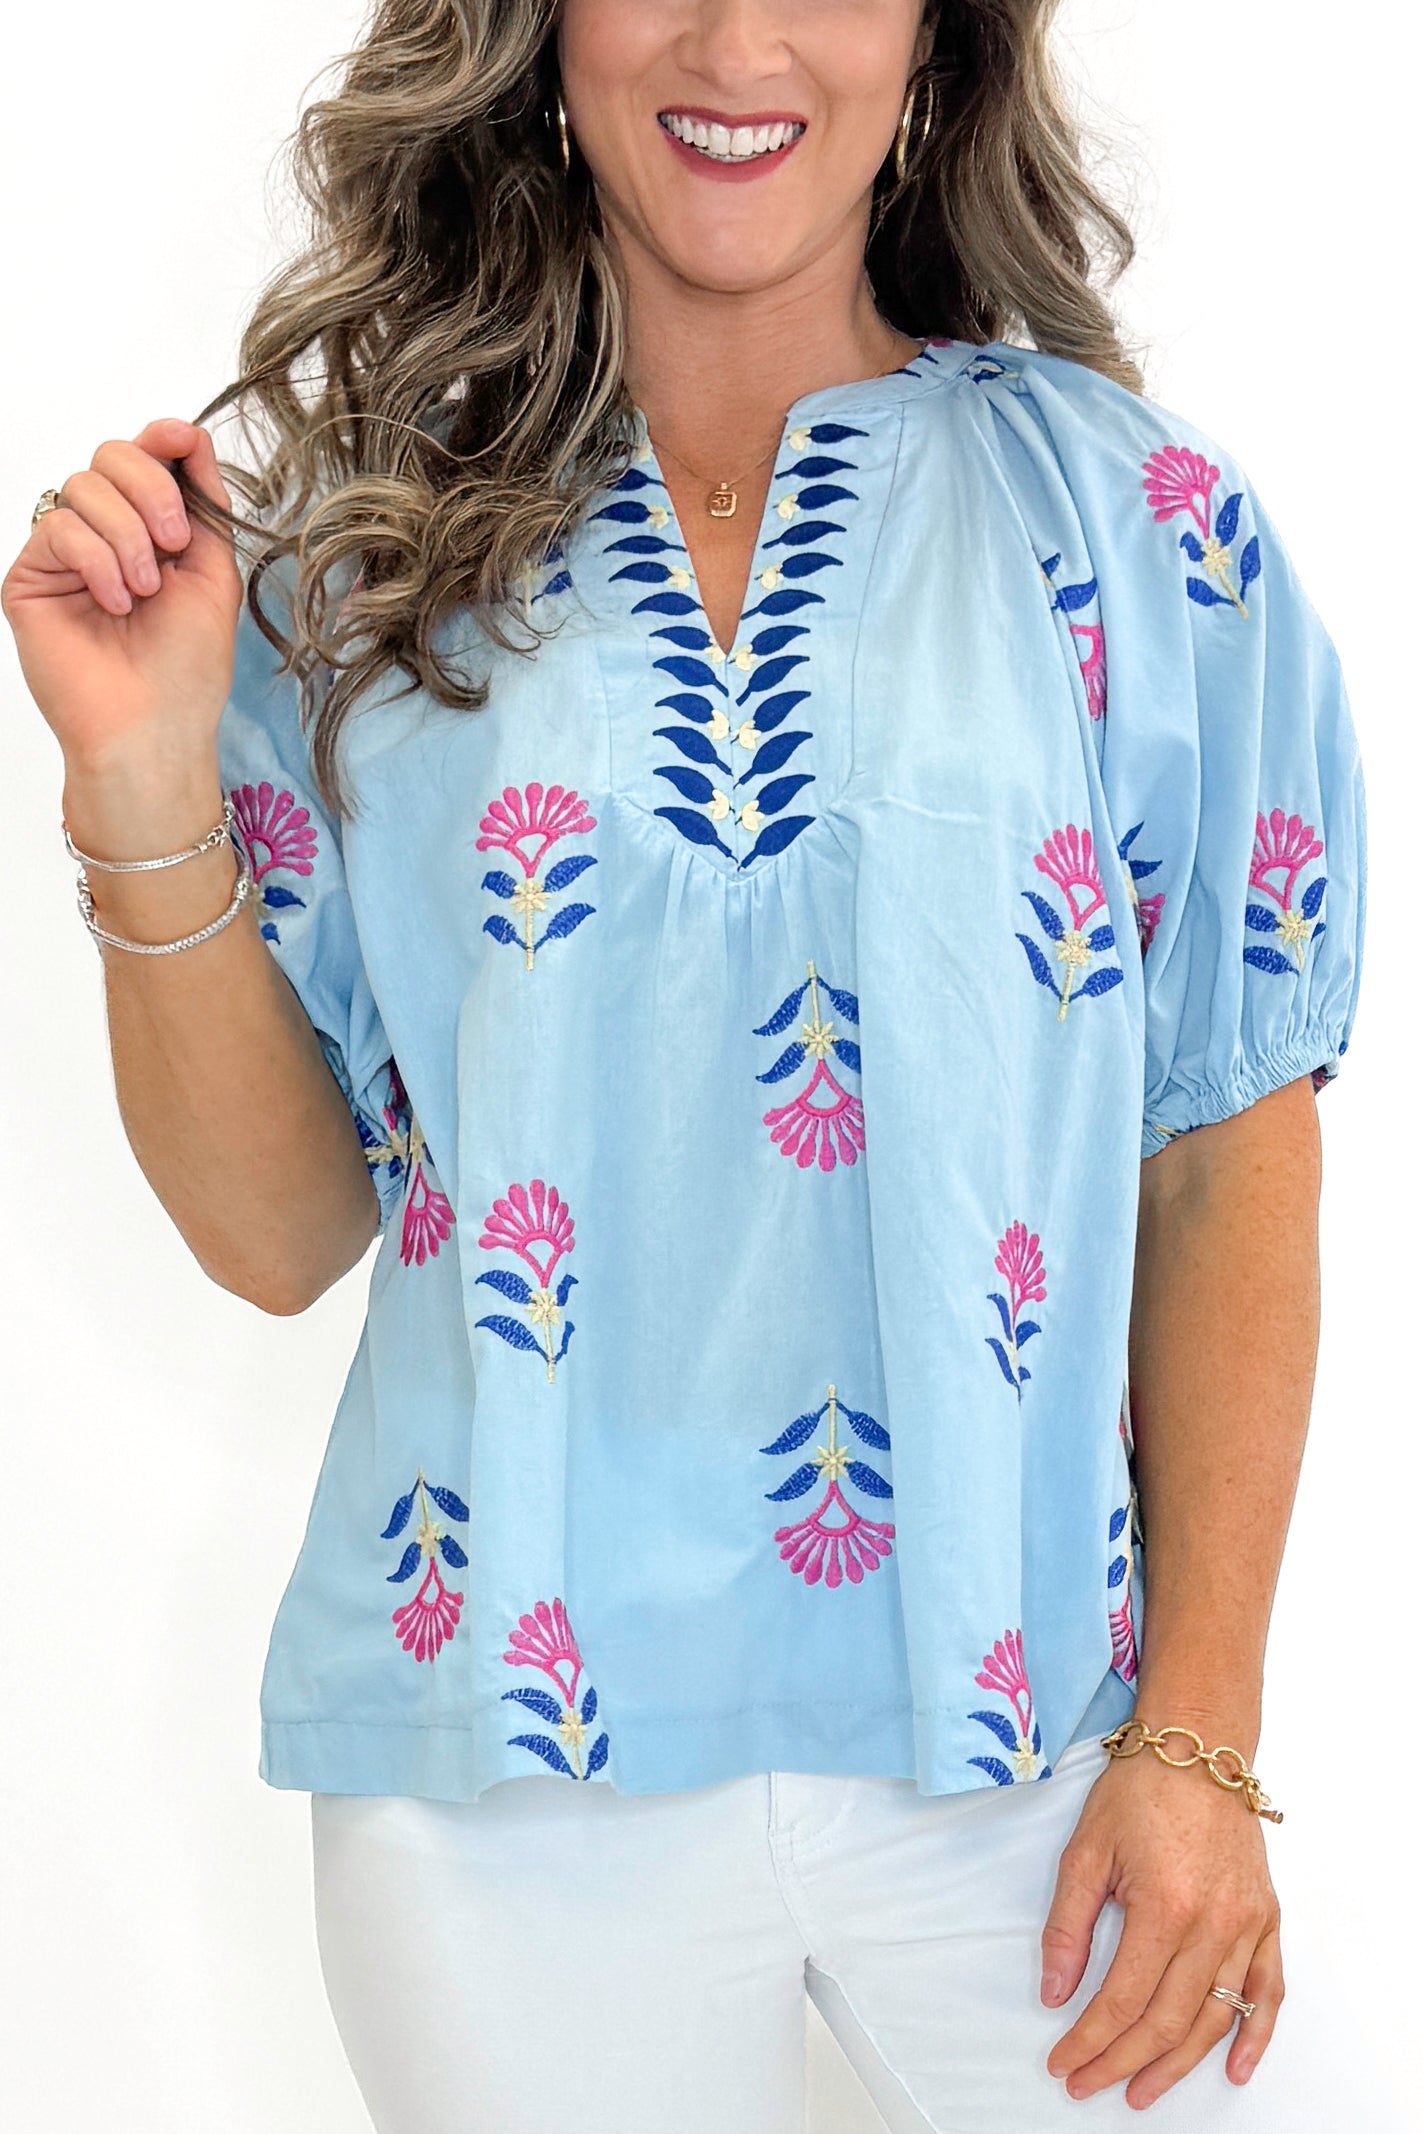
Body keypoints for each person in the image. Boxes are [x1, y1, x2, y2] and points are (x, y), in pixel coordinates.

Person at [3, 2, 1368, 2129]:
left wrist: (1194, 1729)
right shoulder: (353, 574)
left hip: (1034, 1749)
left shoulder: (1138, 530)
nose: (738, 38)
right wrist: (142, 764)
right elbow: (277, 1235)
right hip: (499, 1778)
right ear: (541, 39)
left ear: (933, 42)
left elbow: (1224, 1155)